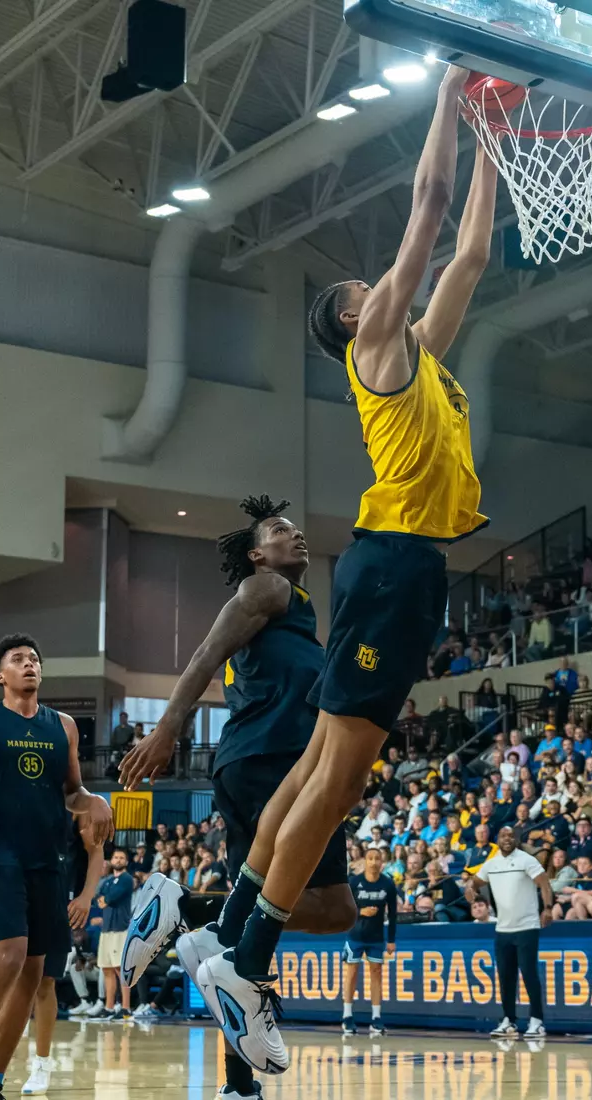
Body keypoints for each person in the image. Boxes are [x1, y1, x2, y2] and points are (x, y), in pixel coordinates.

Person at [188, 65, 497, 1075]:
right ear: (350, 320)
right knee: (341, 777)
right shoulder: (377, 347)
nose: (381, 285)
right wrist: (452, 97)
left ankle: (228, 932)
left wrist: (495, 137)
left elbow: (471, 252)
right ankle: (248, 961)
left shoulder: (424, 362)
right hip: (398, 566)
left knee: (322, 771)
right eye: (362, 291)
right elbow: (429, 207)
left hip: (392, 567)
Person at [118, 494, 355, 1096]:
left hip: (265, 764)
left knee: (249, 934)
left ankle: (236, 1081)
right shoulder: (267, 589)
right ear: (256, 553)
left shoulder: (292, 608)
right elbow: (204, 654)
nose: (295, 534)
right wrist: (168, 728)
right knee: (333, 910)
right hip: (273, 763)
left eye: (297, 527)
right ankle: (188, 915)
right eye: (280, 530)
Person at [0, 634, 112, 1100]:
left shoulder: (64, 726)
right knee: (7, 959)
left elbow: (72, 792)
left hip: (45, 865)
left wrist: (94, 801)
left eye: (34, 659)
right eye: (18, 660)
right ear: (1, 676)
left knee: (30, 977)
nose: (29, 665)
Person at [0, 817, 103, 1094]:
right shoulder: (4, 791)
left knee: (43, 982)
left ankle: (41, 1064)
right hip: (6, 893)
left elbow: (96, 850)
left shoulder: (75, 803)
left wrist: (86, 896)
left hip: (53, 900)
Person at [465, 827, 553, 1038]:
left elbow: (544, 883)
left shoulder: (526, 859)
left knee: (529, 974)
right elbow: (475, 882)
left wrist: (548, 908)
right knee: (505, 976)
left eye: (511, 836)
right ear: (498, 839)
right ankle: (509, 1020)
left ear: (516, 839)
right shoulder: (492, 863)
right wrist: (470, 888)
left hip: (527, 926)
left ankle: (537, 1021)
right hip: (503, 928)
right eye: (503, 836)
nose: (507, 839)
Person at [342, 848, 397, 1037]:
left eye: (377, 859)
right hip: (355, 935)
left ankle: (376, 1018)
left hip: (376, 937)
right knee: (352, 973)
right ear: (365, 861)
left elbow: (394, 914)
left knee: (377, 974)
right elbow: (345, 908)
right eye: (370, 858)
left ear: (382, 862)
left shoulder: (388, 884)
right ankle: (347, 1016)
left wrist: (391, 940)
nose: (374, 862)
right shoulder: (355, 882)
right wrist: (361, 912)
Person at [89, 849, 134, 1021]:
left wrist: (104, 900)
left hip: (120, 928)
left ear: (126, 862)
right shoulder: (107, 880)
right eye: (116, 857)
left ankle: (125, 1008)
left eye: (122, 857)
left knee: (119, 969)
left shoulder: (126, 879)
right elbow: (98, 899)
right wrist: (103, 900)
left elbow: (108, 899)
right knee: (106, 968)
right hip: (106, 929)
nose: (118, 859)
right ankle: (108, 1007)